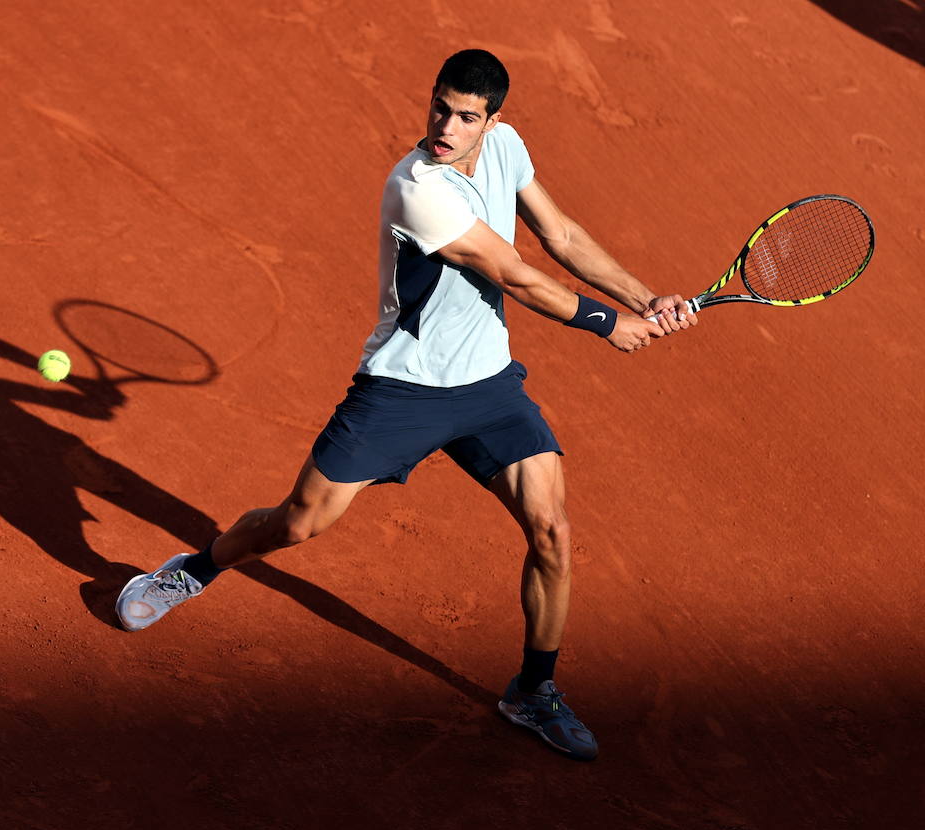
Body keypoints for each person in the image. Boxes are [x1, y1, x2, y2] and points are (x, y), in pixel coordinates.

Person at [116, 49, 695, 760]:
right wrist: (607, 324)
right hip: (403, 389)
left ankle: (532, 692)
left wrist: (644, 297)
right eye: (439, 108)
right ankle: (198, 566)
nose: (446, 127)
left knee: (552, 533)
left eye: (466, 117)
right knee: (298, 524)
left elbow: (562, 236)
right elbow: (510, 271)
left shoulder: (507, 149)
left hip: (487, 387)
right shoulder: (415, 186)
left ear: (494, 121)